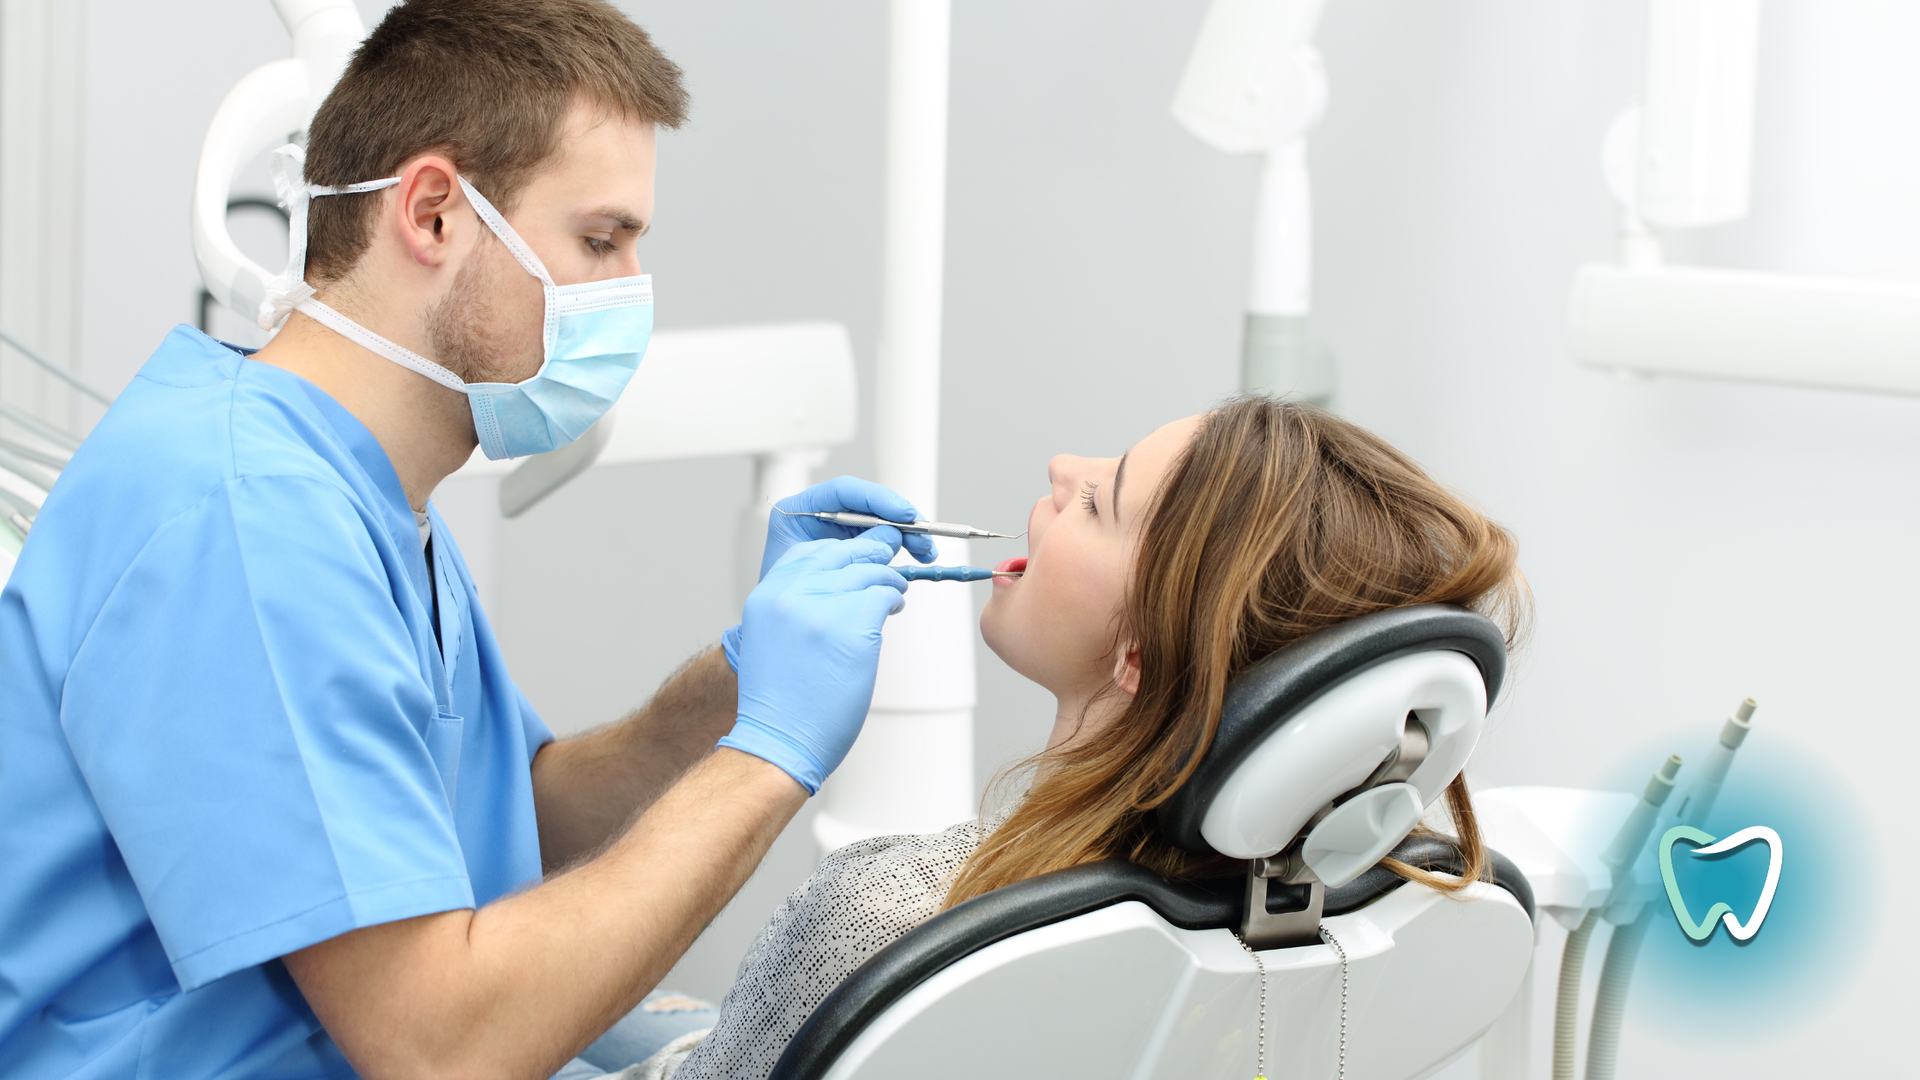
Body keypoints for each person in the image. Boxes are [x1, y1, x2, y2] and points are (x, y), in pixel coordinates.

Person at [0, 3, 934, 1079]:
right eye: (598, 240)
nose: (629, 292)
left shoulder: (362, 495)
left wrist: (736, 681)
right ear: (435, 214)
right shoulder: (248, 520)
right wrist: (768, 758)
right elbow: (440, 1045)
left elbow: (505, 812)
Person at [643, 396, 1531, 1080]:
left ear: (1139, 656)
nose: (1063, 467)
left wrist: (762, 748)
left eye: (1099, 502)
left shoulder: (887, 922)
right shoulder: (1364, 923)